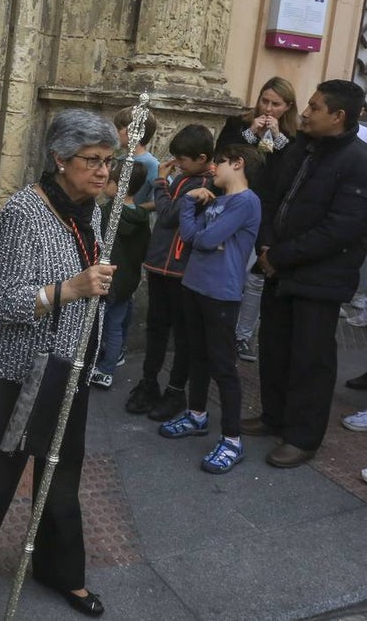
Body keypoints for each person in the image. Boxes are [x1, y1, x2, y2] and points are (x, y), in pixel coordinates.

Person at [0, 109, 116, 617]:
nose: (102, 172)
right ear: (60, 159)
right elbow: (2, 300)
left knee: (62, 471)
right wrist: (70, 289)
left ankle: (61, 570)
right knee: (2, 470)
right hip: (26, 369)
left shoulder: (92, 211)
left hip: (72, 366)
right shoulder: (25, 211)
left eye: (108, 162)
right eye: (91, 160)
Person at [241, 79, 367, 468]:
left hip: (319, 277)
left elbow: (341, 228)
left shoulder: (358, 161)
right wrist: (265, 246)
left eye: (314, 107)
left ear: (338, 116)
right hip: (278, 267)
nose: (305, 113)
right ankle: (274, 416)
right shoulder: (300, 147)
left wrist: (280, 255)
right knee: (275, 348)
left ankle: (303, 437)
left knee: (310, 359)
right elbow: (269, 194)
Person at [157, 145, 262, 474]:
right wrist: (189, 202)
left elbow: (203, 239)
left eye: (218, 161)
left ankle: (232, 439)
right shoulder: (214, 201)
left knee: (222, 365)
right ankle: (197, 414)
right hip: (194, 285)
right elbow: (191, 236)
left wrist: (203, 235)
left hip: (221, 293)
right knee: (195, 354)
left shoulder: (247, 201)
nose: (212, 168)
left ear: (237, 162)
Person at [125, 124, 215, 420]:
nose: (178, 164)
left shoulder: (206, 183)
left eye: (184, 159)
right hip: (160, 265)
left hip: (182, 270)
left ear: (202, 158)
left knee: (183, 333)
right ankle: (149, 382)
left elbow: (167, 215)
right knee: (156, 327)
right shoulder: (185, 179)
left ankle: (176, 390)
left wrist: (161, 182)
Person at [215, 76, 298, 361]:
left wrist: (279, 140)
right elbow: (224, 157)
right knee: (229, 268)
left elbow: (290, 173)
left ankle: (243, 336)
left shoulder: (294, 138)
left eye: (276, 104)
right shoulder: (237, 125)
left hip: (267, 212)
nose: (268, 108)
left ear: (287, 107)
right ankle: (221, 329)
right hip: (235, 204)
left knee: (255, 277)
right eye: (264, 100)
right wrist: (250, 133)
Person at [90, 160, 150, 388]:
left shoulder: (106, 212)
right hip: (129, 279)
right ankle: (113, 362)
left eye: (110, 180)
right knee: (117, 323)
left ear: (118, 185)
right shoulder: (142, 217)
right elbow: (145, 249)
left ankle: (103, 369)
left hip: (107, 278)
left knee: (104, 326)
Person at [112, 105, 159, 208]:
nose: (115, 132)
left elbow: (167, 197)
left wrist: (136, 210)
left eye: (119, 128)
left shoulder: (152, 164)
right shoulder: (119, 159)